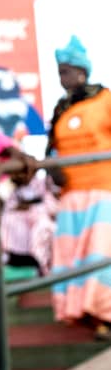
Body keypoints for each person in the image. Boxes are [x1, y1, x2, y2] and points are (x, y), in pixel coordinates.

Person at [46, 35, 111, 339]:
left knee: (100, 254)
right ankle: (84, 315)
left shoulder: (104, 99)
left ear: (82, 71)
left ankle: (104, 314)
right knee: (73, 256)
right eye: (59, 72)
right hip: (71, 197)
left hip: (103, 190)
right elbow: (51, 151)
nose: (63, 78)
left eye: (67, 71)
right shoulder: (60, 109)